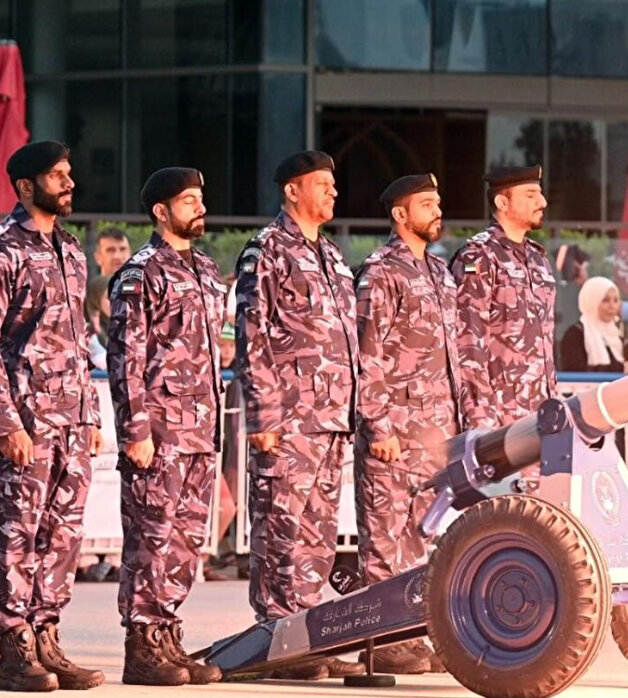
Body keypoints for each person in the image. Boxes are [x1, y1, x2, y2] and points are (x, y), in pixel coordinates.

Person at [0, 141, 105, 692]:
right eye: (56, 175)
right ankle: (15, 650)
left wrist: (90, 416)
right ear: (25, 186)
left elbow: (78, 340)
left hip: (70, 423)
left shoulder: (71, 250)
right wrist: (5, 424)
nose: (69, 182)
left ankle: (47, 638)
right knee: (15, 538)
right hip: (25, 426)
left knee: (61, 540)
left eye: (69, 173)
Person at [234, 150, 363, 680]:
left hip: (330, 419)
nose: (333, 191)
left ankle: (307, 638)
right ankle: (276, 639)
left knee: (317, 535)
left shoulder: (332, 256)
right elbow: (252, 335)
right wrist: (263, 417)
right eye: (322, 184)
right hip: (287, 419)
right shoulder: (266, 251)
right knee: (279, 530)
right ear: (292, 190)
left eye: (334, 183)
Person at [107, 168, 226, 686]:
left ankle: (166, 633)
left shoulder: (205, 268)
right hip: (159, 433)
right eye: (188, 200)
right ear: (161, 211)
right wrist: (135, 431)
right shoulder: (141, 273)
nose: (200, 207)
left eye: (201, 198)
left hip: (200, 431)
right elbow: (125, 359)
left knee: (185, 541)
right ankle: (141, 644)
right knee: (150, 540)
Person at [353, 174, 469, 675]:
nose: (436, 210)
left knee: (420, 536)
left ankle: (410, 634)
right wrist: (378, 427)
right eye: (427, 203)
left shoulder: (441, 272)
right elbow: (367, 354)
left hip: (434, 430)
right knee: (384, 538)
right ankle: (379, 640)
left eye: (438, 201)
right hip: (396, 430)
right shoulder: (382, 271)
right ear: (401, 215)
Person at [450, 164, 556, 436]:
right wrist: (479, 418)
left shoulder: (538, 258)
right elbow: (467, 342)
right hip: (499, 416)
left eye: (540, 194)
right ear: (502, 202)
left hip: (540, 412)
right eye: (531, 195)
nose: (542, 202)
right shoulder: (478, 256)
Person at [559, 276, 624, 372]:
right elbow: (574, 370)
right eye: (605, 300)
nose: (612, 306)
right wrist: (622, 368)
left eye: (615, 300)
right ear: (592, 301)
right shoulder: (575, 334)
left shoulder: (616, 335)